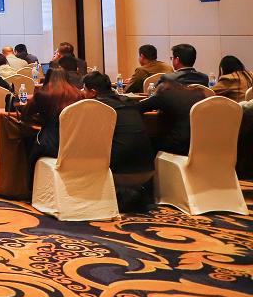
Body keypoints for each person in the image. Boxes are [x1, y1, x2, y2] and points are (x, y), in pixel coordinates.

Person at [79, 72, 156, 209]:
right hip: (148, 169)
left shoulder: (97, 108)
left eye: (84, 89)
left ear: (93, 92)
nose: (81, 92)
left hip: (118, 172)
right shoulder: (128, 102)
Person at [18, 66, 82, 166]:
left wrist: (43, 120)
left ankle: (32, 175)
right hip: (75, 142)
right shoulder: (78, 94)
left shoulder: (43, 94)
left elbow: (26, 115)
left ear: (47, 79)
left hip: (51, 145)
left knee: (28, 143)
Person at [137, 75, 207, 155]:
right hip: (201, 143)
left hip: (179, 145)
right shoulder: (198, 93)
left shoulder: (164, 95)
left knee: (144, 141)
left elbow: (137, 107)